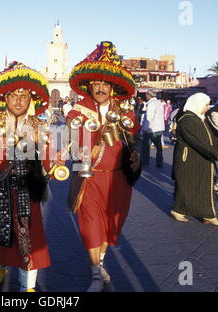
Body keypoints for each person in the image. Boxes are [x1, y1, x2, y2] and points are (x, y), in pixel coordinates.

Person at [0, 61, 64, 292]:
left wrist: (55, 163)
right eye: (13, 96)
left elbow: (47, 163)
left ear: (30, 100)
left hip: (27, 191)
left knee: (29, 238)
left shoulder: (39, 127)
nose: (18, 101)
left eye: (24, 96)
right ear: (5, 98)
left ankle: (28, 287)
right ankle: (0, 267)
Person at [67, 41, 141, 292]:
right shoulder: (76, 112)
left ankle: (100, 263)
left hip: (119, 180)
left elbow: (133, 140)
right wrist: (91, 145)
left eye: (105, 84)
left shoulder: (126, 112)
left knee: (112, 224)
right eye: (96, 84)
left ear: (112, 86)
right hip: (89, 178)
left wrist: (136, 156)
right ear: (89, 86)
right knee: (91, 224)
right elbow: (75, 144)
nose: (100, 88)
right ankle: (95, 273)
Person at [171, 93, 218, 226]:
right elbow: (195, 140)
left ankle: (208, 215)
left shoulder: (199, 118)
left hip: (201, 157)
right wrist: (215, 153)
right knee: (186, 186)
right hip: (188, 159)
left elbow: (210, 137)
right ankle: (178, 211)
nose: (207, 108)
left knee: (204, 186)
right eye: (206, 105)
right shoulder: (186, 119)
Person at [141, 89, 165, 168]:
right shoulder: (159, 103)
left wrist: (144, 129)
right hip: (159, 127)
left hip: (152, 128)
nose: (145, 96)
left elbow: (149, 117)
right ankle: (159, 162)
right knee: (158, 147)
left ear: (148, 95)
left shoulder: (151, 104)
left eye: (146, 95)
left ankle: (145, 161)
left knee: (145, 146)